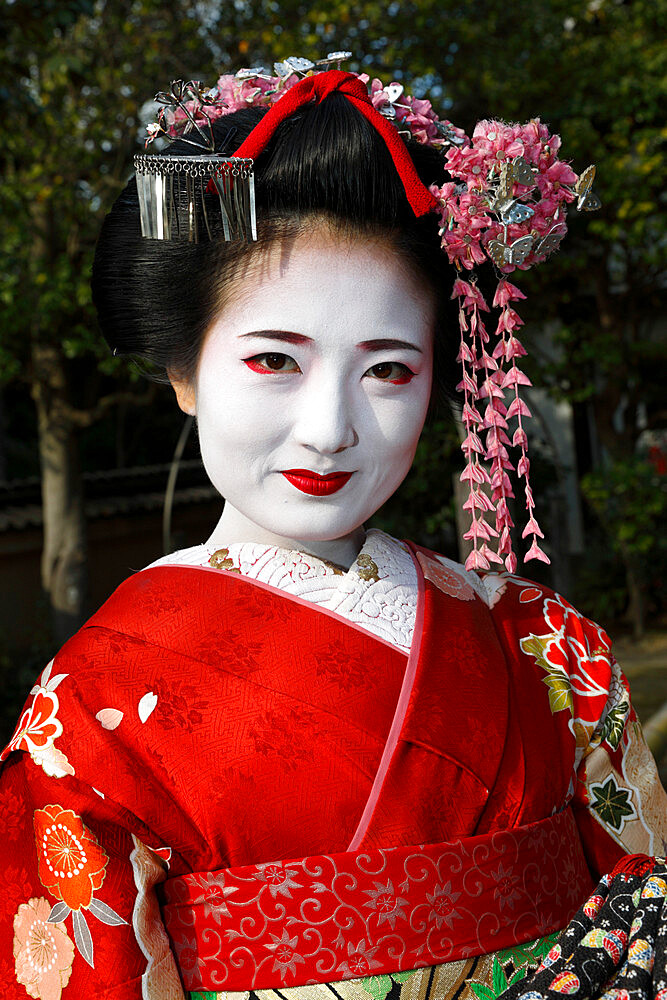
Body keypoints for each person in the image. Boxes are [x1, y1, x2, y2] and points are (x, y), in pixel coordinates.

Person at [1, 60, 666, 1000]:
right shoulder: (94, 708)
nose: (330, 428)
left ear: (445, 374)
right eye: (275, 359)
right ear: (184, 373)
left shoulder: (544, 646)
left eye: (389, 371)